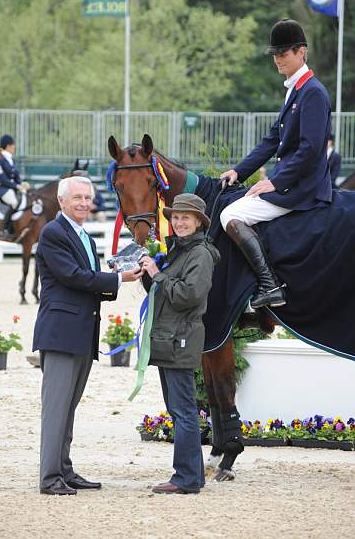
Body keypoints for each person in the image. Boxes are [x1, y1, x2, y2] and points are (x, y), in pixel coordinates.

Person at [32, 175, 142, 496]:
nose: (83, 203)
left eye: (87, 198)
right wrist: (118, 278)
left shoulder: (85, 237)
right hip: (61, 333)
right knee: (56, 409)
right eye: (77, 197)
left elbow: (91, 283)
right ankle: (50, 476)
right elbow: (73, 277)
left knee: (68, 407)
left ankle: (63, 469)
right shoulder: (54, 233)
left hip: (82, 332)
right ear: (62, 201)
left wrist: (122, 274)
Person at [219, 18, 332, 309]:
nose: (278, 59)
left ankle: (270, 285)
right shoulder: (294, 89)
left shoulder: (313, 92)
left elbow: (310, 149)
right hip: (290, 181)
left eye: (283, 54)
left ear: (301, 52)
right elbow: (272, 140)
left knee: (230, 215)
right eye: (275, 55)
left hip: (302, 188)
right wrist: (239, 170)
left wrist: (275, 182)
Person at [140, 194, 220, 495]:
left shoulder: (199, 253)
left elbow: (189, 295)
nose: (179, 222)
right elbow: (162, 292)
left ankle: (185, 478)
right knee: (179, 409)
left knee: (183, 411)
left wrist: (158, 275)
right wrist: (149, 273)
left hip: (180, 338)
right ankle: (192, 475)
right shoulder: (179, 251)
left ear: (198, 221)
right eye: (175, 217)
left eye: (186, 217)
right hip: (170, 338)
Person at [0, 134, 29, 239]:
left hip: (12, 188)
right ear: (8, 146)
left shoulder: (11, 159)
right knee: (14, 202)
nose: (14, 147)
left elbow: (16, 175)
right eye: (13, 145)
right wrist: (17, 186)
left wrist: (22, 183)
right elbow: (1, 179)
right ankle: (5, 229)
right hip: (2, 188)